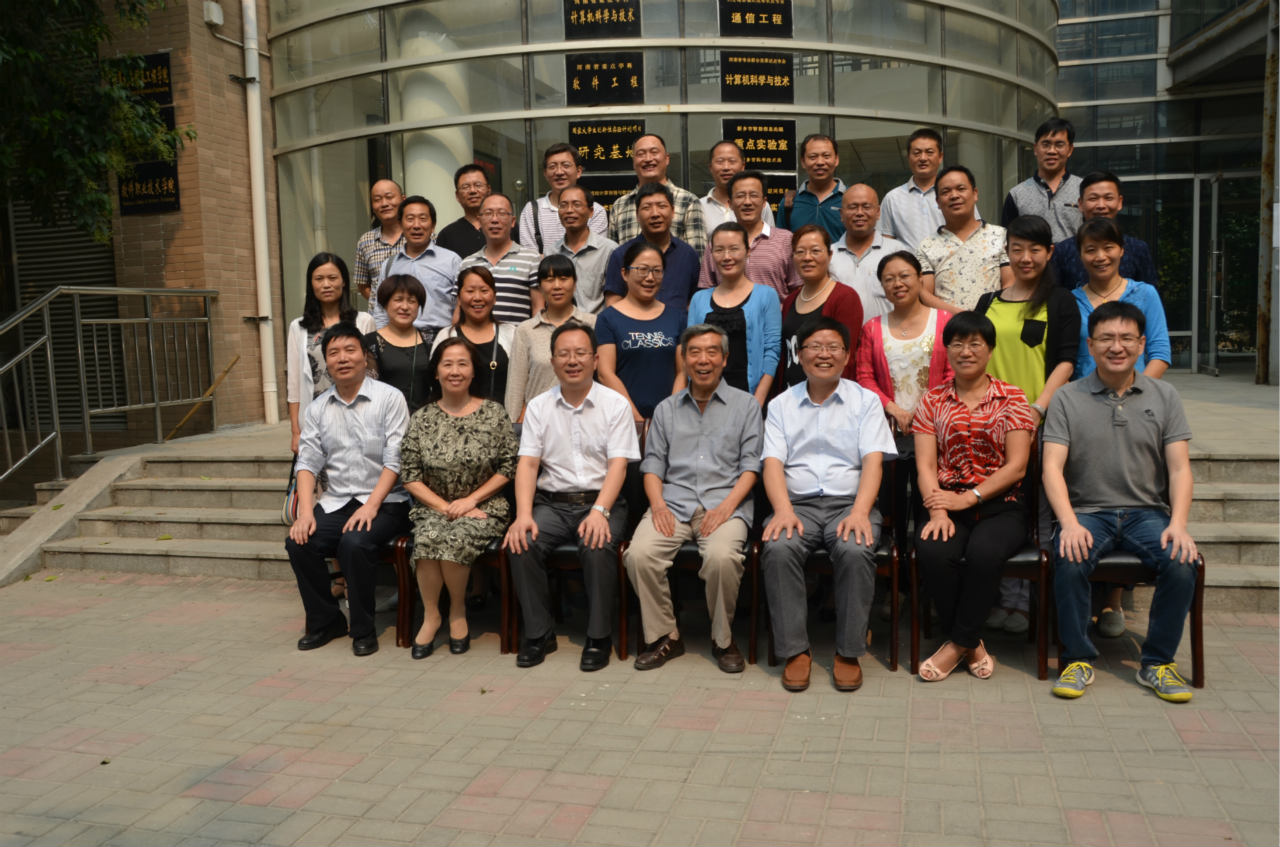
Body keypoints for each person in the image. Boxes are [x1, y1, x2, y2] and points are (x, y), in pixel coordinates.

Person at [1045, 301, 1199, 703]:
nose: (1117, 347)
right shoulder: (1066, 397)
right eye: (1107, 338)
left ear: (1142, 344)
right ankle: (1077, 659)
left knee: (1181, 561)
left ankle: (1157, 663)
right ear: (1091, 345)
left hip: (1147, 514)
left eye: (1127, 338)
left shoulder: (1165, 395)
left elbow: (1180, 469)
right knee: (1069, 556)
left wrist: (1178, 524)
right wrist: (1069, 523)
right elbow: (1052, 468)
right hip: (1087, 512)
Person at [760, 317, 896, 692]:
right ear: (799, 355)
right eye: (815, 347)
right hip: (797, 504)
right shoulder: (781, 404)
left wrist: (860, 512)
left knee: (855, 549)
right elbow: (773, 464)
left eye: (833, 347)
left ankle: (849, 652)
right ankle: (795, 651)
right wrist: (782, 510)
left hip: (850, 503)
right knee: (778, 547)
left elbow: (873, 462)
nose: (824, 354)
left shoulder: (866, 401)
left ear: (847, 355)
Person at [624, 324, 763, 673]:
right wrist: (657, 505)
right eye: (695, 352)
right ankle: (666, 635)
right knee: (639, 555)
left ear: (724, 359)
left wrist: (726, 508)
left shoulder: (746, 406)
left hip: (725, 503)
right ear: (684, 360)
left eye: (712, 352)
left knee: (721, 557)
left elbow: (751, 467)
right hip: (673, 502)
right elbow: (653, 466)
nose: (703, 360)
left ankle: (723, 640)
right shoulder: (667, 409)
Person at [504, 323, 640, 671]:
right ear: (552, 362)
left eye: (581, 353)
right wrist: (523, 515)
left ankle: (599, 636)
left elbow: (619, 466)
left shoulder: (615, 405)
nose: (572, 360)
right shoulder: (538, 406)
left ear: (595, 360)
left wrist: (599, 511)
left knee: (596, 544)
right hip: (552, 504)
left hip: (602, 501)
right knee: (522, 543)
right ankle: (539, 633)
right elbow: (528, 464)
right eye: (563, 354)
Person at [911, 311, 1037, 682]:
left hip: (1002, 506)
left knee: (984, 554)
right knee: (934, 551)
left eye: (975, 344)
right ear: (947, 350)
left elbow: (1017, 467)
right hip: (945, 503)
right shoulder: (932, 401)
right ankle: (972, 644)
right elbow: (925, 466)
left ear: (990, 349)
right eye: (957, 344)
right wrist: (938, 511)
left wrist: (970, 498)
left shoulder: (1012, 398)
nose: (966, 351)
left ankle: (954, 646)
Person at [972, 215, 1080, 634]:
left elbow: (1066, 361)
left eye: (1035, 249)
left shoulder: (1060, 301)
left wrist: (1036, 409)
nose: (1025, 257)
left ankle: (1027, 604)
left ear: (1049, 253)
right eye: (1017, 249)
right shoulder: (987, 302)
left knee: (1038, 511)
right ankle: (1001, 597)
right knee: (997, 512)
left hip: (1040, 423)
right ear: (1007, 253)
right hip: (988, 425)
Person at [285, 322, 411, 657]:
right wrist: (305, 513)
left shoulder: (389, 398)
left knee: (354, 543)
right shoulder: (318, 407)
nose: (342, 358)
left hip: (387, 501)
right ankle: (327, 621)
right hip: (338, 501)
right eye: (334, 353)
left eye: (350, 350)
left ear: (364, 356)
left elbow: (395, 460)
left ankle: (363, 629)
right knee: (299, 542)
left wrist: (371, 506)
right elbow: (307, 463)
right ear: (326, 362)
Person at [399, 337, 518, 659]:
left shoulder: (494, 413)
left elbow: (509, 467)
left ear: (473, 371)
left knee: (455, 538)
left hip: (485, 506)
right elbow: (409, 475)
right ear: (436, 372)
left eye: (462, 364)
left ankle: (456, 610)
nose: (455, 371)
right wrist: (445, 507)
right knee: (428, 537)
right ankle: (431, 615)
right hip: (434, 506)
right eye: (447, 364)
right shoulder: (422, 418)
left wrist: (470, 502)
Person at [854, 251, 954, 550]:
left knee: (930, 502)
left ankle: (926, 563)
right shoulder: (873, 327)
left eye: (904, 276)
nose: (897, 283)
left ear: (920, 279)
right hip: (889, 432)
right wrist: (894, 409)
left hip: (936, 431)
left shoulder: (945, 321)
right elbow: (864, 377)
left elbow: (954, 372)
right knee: (892, 507)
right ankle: (896, 568)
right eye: (889, 279)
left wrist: (925, 411)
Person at [287, 252, 376, 454]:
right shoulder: (298, 327)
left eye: (332, 278)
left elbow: (372, 375)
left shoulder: (363, 321)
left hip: (358, 419)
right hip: (315, 423)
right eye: (319, 279)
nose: (326, 284)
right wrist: (295, 431)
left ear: (343, 281)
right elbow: (294, 384)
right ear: (311, 284)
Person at [687, 223, 781, 405]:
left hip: (750, 397)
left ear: (748, 252)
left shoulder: (767, 295)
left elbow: (772, 351)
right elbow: (691, 351)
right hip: (706, 399)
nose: (726, 257)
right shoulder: (699, 299)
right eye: (719, 250)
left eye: (734, 249)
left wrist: (757, 402)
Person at [1070, 217, 1170, 380]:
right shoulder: (1071, 301)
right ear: (1080, 255)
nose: (1100, 257)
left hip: (1136, 391)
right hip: (1084, 393)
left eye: (1108, 248)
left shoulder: (1145, 294)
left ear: (1121, 250)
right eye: (1091, 250)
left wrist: (1137, 390)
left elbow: (1160, 352)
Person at [596, 241, 684, 422]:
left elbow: (683, 372)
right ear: (625, 273)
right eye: (642, 270)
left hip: (669, 420)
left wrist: (670, 415)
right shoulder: (607, 319)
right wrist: (636, 419)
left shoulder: (677, 317)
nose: (650, 278)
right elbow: (605, 373)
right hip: (622, 419)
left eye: (657, 271)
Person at [505, 255, 598, 422]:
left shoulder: (592, 324)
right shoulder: (526, 330)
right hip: (538, 421)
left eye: (563, 279)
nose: (557, 286)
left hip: (585, 418)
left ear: (575, 283)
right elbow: (515, 385)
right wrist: (513, 425)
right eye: (549, 280)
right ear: (540, 287)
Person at [916, 165, 1012, 314]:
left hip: (993, 321)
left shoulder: (1001, 236)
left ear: (975, 194)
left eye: (961, 189)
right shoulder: (927, 246)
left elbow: (1010, 284)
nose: (954, 195)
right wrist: (962, 317)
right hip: (949, 324)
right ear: (938, 202)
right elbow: (925, 294)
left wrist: (986, 317)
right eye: (946, 192)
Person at [778, 225, 862, 389]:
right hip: (791, 394)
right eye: (800, 252)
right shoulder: (790, 300)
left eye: (815, 251)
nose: (807, 258)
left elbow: (847, 358)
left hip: (827, 395)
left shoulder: (845, 298)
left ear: (830, 255)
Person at [696, 170, 798, 301]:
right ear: (730, 204)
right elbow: (706, 291)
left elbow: (797, 289)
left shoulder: (786, 240)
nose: (747, 202)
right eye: (740, 196)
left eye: (754, 195)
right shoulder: (717, 243)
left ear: (764, 202)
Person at [1050, 171, 1158, 290]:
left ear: (1120, 202)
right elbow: (1055, 297)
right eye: (1093, 198)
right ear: (1080, 204)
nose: (1101, 205)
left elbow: (1149, 294)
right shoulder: (1062, 251)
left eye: (1108, 198)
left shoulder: (1138, 249)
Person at [602, 183, 701, 312]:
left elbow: (694, 301)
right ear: (637, 215)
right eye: (647, 208)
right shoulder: (621, 254)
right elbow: (613, 302)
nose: (655, 214)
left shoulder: (688, 254)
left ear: (673, 212)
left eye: (662, 206)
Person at [430, 266, 516, 406]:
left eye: (484, 291)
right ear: (459, 298)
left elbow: (521, 383)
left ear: (494, 297)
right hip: (454, 416)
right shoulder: (446, 335)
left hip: (503, 416)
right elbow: (434, 384)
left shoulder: (511, 333)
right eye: (470, 291)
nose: (477, 298)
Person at [608, 133, 706, 253]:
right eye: (641, 154)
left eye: (654, 152)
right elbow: (613, 254)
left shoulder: (688, 201)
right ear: (633, 162)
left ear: (667, 159)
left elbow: (696, 256)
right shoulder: (620, 205)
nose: (648, 159)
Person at [379, 195, 461, 339]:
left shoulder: (452, 260)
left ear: (433, 225)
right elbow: (380, 309)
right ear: (400, 224)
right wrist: (381, 341)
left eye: (423, 219)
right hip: (398, 338)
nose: (416, 225)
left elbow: (460, 306)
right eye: (410, 219)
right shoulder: (389, 265)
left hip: (441, 337)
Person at [460, 193, 543, 324]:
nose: (494, 219)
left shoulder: (532, 259)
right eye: (488, 213)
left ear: (513, 221)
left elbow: (538, 308)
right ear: (479, 221)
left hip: (518, 336)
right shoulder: (467, 263)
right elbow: (459, 311)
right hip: (475, 336)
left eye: (502, 213)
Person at [829, 184, 908, 321]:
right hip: (840, 334)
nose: (860, 213)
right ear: (841, 214)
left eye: (866, 207)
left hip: (886, 333)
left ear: (878, 212)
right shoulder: (829, 255)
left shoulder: (897, 251)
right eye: (853, 207)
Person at [1002, 117, 1082, 243]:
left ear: (1070, 150)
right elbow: (1006, 241)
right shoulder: (1016, 194)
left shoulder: (1083, 189)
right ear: (1035, 149)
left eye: (1059, 145)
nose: (1052, 151)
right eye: (1046, 144)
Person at [518, 143, 608, 253]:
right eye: (552, 167)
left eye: (566, 165)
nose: (559, 172)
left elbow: (593, 254)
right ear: (545, 173)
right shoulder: (531, 210)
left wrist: (545, 257)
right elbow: (530, 257)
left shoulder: (595, 211)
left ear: (578, 171)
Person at [363, 274, 434, 413]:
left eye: (412, 301)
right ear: (385, 303)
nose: (405, 307)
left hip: (425, 419)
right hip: (384, 417)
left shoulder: (430, 341)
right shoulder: (369, 342)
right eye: (398, 300)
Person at [879, 128, 949, 251]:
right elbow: (886, 242)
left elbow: (971, 231)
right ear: (908, 157)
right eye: (917, 153)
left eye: (929, 152)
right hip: (908, 264)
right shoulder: (892, 198)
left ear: (940, 157)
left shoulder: (954, 195)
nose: (923, 158)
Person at [552, 185, 616, 314]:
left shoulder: (609, 250)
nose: (569, 210)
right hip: (559, 325)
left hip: (597, 324)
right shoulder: (551, 253)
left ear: (591, 211)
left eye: (576, 205)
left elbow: (614, 299)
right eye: (563, 205)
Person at [353, 178, 404, 327]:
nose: (384, 203)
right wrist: (383, 302)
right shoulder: (365, 241)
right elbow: (363, 284)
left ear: (403, 199)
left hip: (417, 320)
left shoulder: (419, 236)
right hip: (379, 324)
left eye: (389, 197)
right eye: (377, 199)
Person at [776, 134, 845, 241]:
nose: (820, 162)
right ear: (803, 162)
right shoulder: (789, 203)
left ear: (836, 159)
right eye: (813, 157)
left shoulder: (851, 200)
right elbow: (781, 244)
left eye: (826, 156)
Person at [699, 140, 775, 236]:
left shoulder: (759, 205)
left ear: (743, 166)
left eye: (732, 161)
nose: (726, 167)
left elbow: (771, 239)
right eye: (720, 161)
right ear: (710, 167)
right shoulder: (699, 206)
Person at [435, 165, 491, 258]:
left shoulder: (506, 227)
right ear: (457, 195)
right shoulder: (447, 235)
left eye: (478, 185)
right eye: (466, 187)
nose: (472, 190)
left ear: (488, 190)